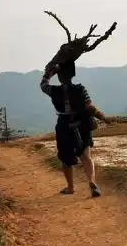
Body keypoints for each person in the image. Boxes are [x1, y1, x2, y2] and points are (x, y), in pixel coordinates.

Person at [40, 61, 111, 197]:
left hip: (64, 125)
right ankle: (92, 183)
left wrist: (49, 73)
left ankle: (70, 187)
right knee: (86, 156)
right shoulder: (80, 89)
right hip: (82, 123)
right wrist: (104, 118)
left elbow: (43, 85)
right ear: (73, 74)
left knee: (65, 158)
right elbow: (90, 107)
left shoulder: (54, 91)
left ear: (59, 76)